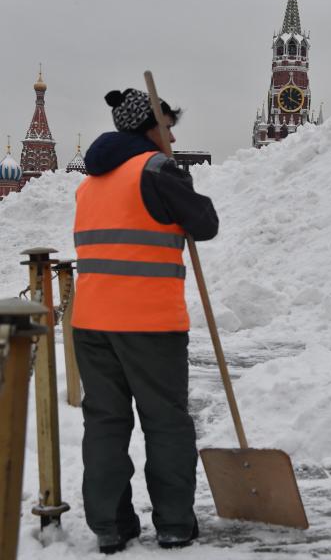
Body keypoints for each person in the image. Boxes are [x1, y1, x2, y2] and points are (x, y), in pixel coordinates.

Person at [71, 88, 219, 554]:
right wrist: (185, 188)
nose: (172, 135)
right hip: (150, 326)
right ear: (149, 128)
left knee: (106, 424)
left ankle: (110, 526)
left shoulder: (89, 182)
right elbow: (205, 224)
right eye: (168, 126)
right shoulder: (157, 170)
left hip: (91, 322)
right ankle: (174, 524)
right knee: (166, 423)